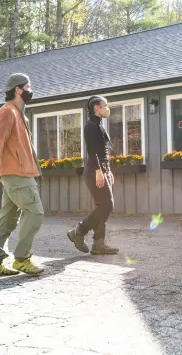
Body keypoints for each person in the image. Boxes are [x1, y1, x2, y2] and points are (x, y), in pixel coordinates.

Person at [0, 73, 45, 276]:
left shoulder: (19, 114)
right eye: (28, 86)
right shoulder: (7, 112)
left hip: (17, 173)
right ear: (18, 89)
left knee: (8, 219)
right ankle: (22, 258)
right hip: (17, 174)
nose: (30, 90)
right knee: (35, 213)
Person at [66, 96, 119, 255]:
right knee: (107, 205)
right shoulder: (90, 126)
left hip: (102, 168)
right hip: (94, 170)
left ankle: (98, 243)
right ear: (97, 107)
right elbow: (92, 151)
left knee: (103, 206)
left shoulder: (98, 125)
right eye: (105, 105)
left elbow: (103, 152)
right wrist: (99, 172)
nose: (107, 108)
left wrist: (108, 171)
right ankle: (78, 232)